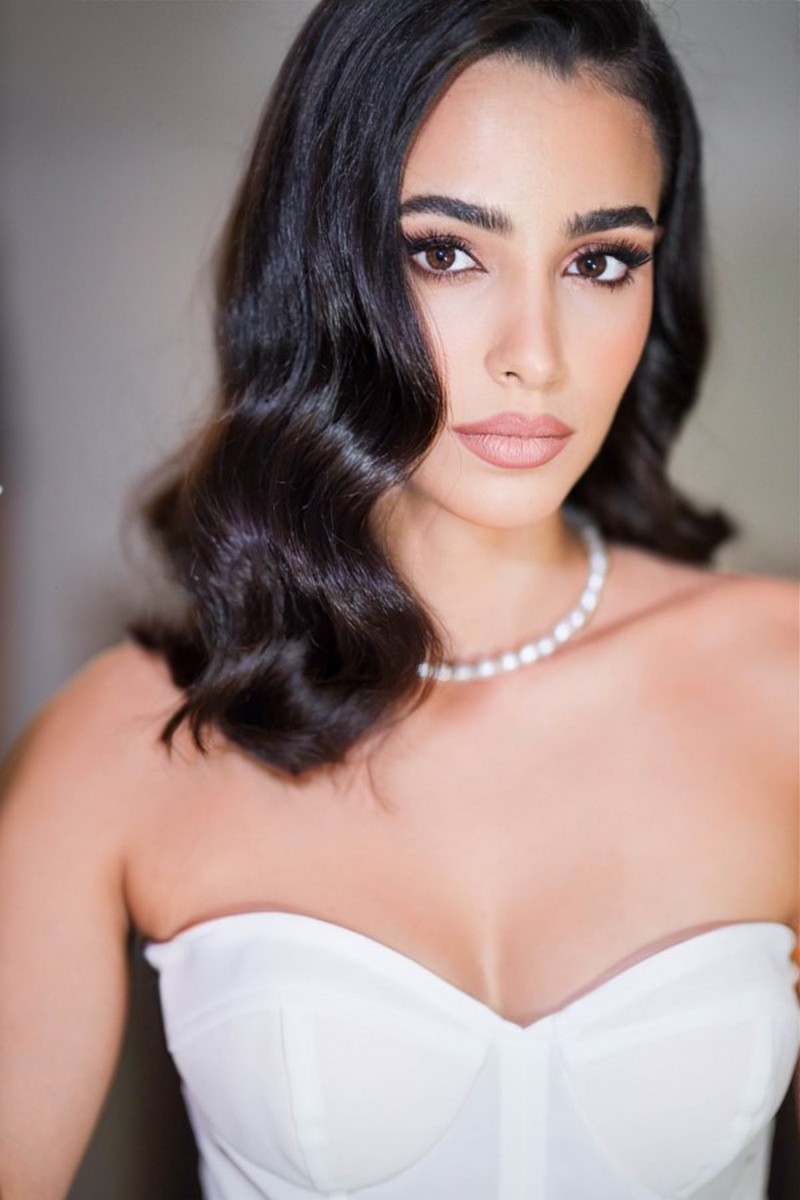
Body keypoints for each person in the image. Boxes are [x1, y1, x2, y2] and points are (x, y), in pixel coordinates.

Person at [1, 0, 797, 1196]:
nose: (533, 353)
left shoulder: (780, 688)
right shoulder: (122, 745)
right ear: (320, 264)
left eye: (597, 262)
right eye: (445, 252)